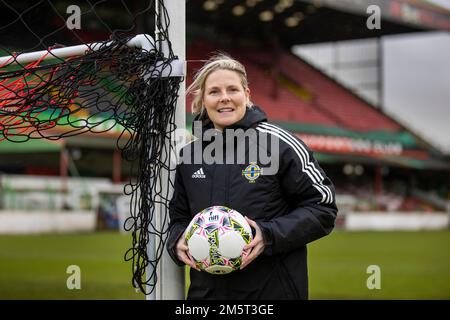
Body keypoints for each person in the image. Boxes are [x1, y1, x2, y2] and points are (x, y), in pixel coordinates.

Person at [166, 54, 338, 300]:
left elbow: (323, 207)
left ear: (247, 94)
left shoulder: (280, 145)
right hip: (205, 296)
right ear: (203, 99)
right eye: (214, 91)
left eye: (232, 89)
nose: (224, 97)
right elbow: (179, 218)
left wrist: (267, 235)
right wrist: (177, 240)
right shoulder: (188, 155)